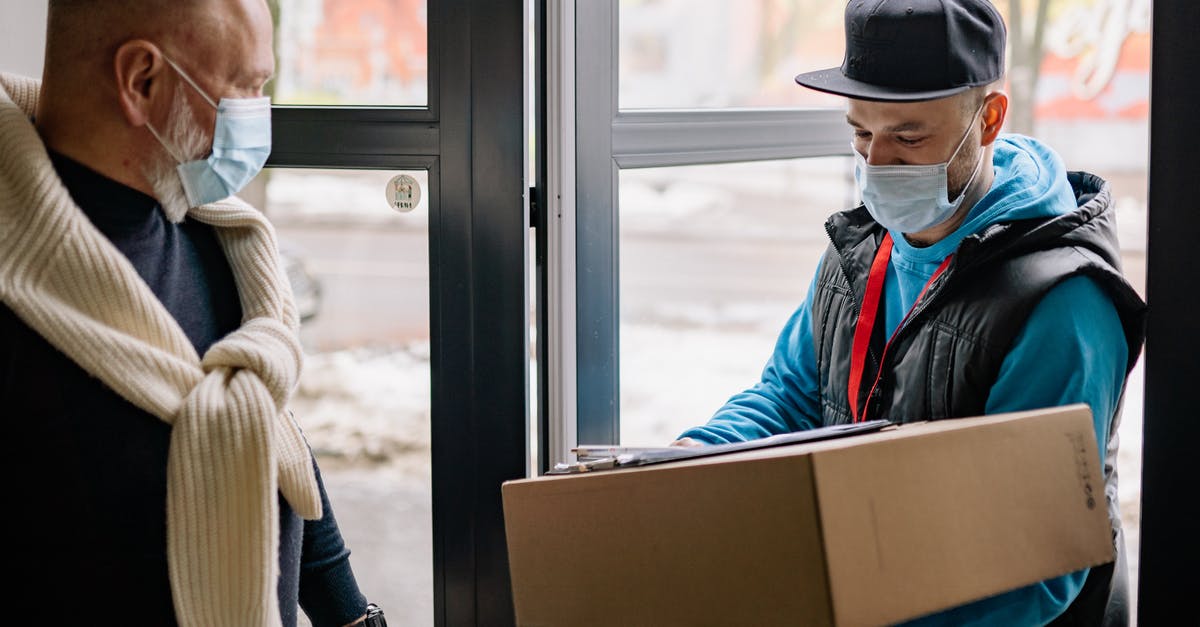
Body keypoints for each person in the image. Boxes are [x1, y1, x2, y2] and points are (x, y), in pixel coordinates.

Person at [672, 1, 1145, 625]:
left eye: (909, 137)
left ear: (989, 119)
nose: (877, 164)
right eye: (860, 134)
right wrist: (692, 462)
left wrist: (856, 607)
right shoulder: (862, 249)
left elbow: (1036, 572)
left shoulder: (1061, 303)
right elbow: (790, 398)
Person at [0, 1, 384, 625]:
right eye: (246, 87)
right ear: (142, 81)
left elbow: (266, 435)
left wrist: (352, 616)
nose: (260, 115)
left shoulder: (221, 237)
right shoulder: (17, 301)